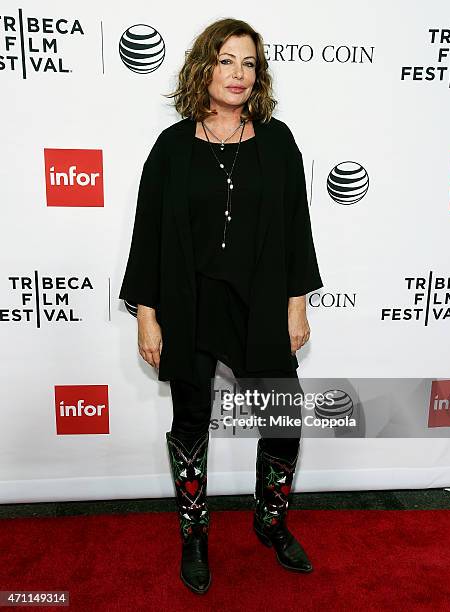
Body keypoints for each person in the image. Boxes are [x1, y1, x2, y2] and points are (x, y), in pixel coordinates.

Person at [119, 17, 324, 595]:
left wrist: (296, 305)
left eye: (250, 63)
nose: (239, 74)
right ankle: (194, 535)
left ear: (259, 76)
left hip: (260, 304)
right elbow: (149, 236)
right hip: (189, 305)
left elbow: (295, 229)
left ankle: (270, 522)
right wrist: (147, 315)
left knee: (284, 420)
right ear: (204, 66)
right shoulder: (172, 148)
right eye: (227, 60)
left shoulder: (278, 140)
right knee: (189, 426)